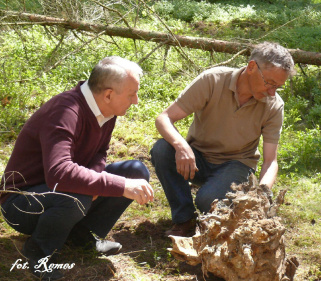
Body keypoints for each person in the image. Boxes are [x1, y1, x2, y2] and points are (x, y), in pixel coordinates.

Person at [0, 56, 154, 280]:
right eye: (132, 94)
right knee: (76, 197)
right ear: (109, 94)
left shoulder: (107, 110)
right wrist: (119, 185)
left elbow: (100, 152)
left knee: (135, 171)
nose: (136, 101)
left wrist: (100, 181)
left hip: (57, 191)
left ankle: (80, 235)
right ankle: (38, 252)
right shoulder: (65, 111)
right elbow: (59, 174)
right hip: (20, 202)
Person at [150, 42, 295, 237]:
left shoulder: (274, 105)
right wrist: (181, 146)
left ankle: (214, 220)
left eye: (278, 87)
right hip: (197, 157)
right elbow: (164, 118)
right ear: (252, 67)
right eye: (269, 83)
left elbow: (270, 161)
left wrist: (262, 194)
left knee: (207, 199)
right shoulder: (213, 80)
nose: (272, 91)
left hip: (236, 165)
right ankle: (184, 220)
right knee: (162, 150)